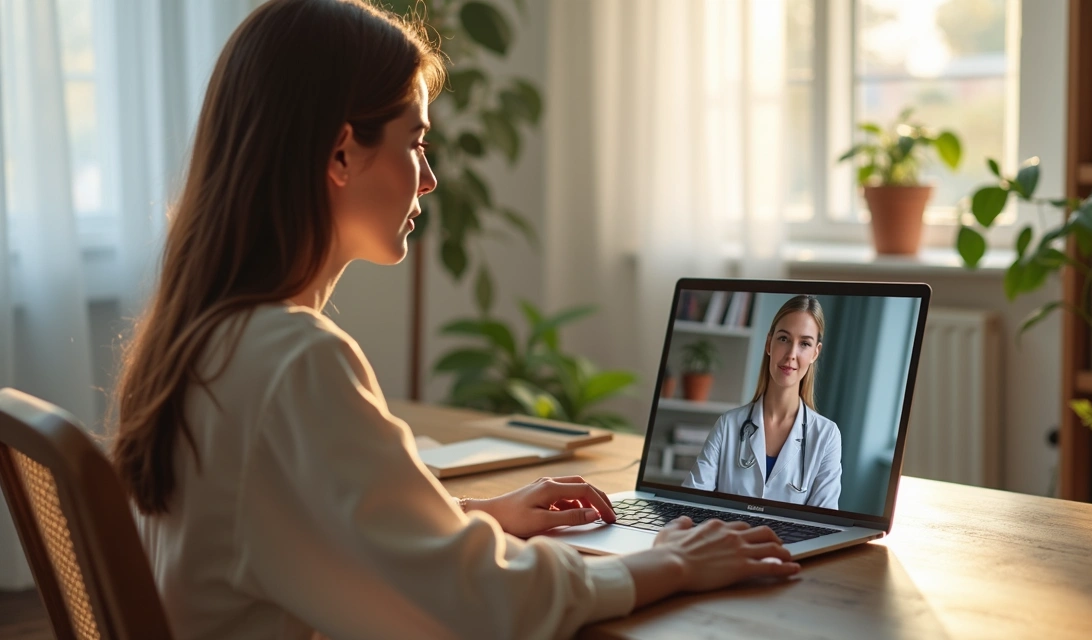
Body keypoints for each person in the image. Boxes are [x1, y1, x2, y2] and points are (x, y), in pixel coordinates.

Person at [106, 1, 800, 638]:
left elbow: (298, 532)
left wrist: (474, 516)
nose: (429, 180)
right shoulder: (290, 359)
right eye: (416, 143)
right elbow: (479, 605)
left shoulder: (210, 339)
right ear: (342, 153)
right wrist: (669, 561)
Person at [683, 295, 843, 509]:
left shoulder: (827, 436)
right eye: (784, 339)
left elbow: (825, 526)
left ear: (815, 353)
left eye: (804, 343)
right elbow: (688, 504)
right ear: (769, 343)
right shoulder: (728, 425)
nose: (791, 354)